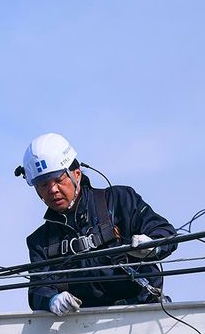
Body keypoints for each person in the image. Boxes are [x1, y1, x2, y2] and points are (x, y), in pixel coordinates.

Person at [18, 133, 178, 314]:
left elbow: (165, 232)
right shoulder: (40, 241)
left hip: (140, 313)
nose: (53, 190)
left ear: (77, 174)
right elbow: (37, 289)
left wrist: (153, 245)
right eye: (43, 184)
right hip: (82, 323)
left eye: (59, 180)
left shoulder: (119, 201)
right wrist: (51, 300)